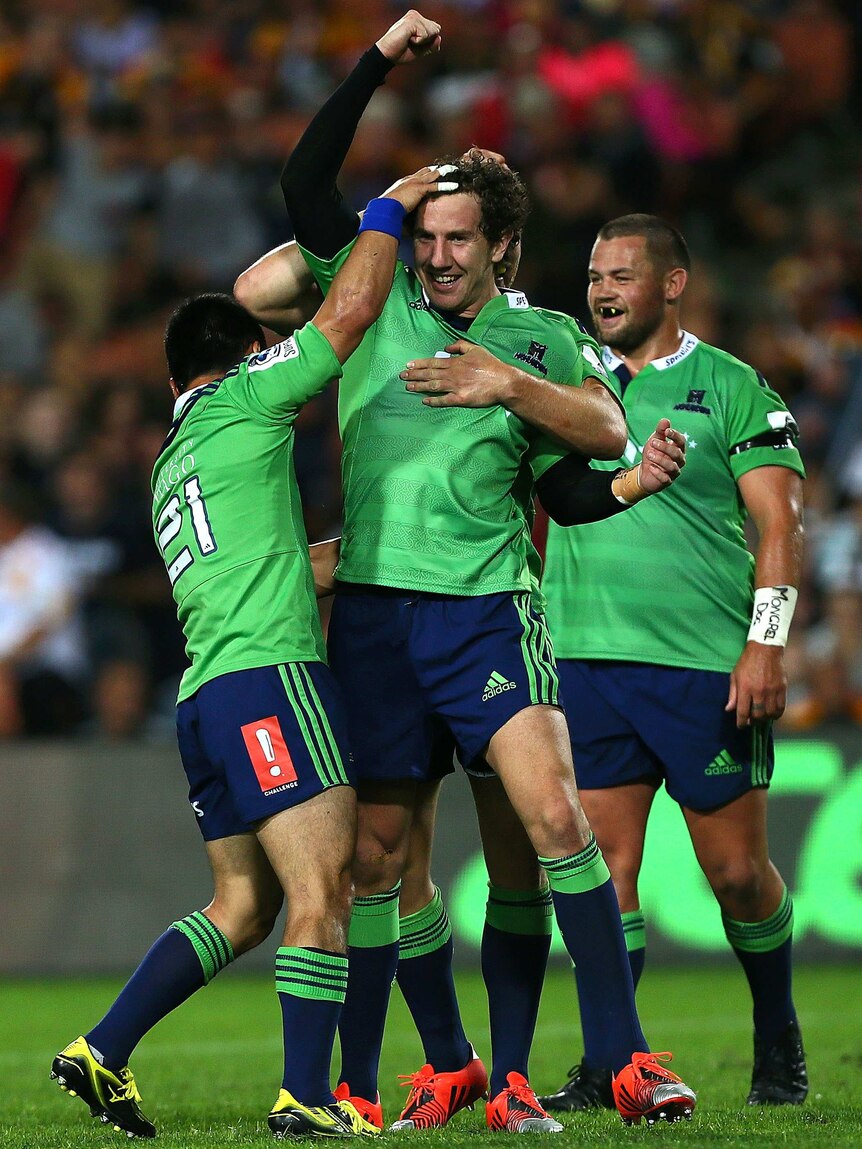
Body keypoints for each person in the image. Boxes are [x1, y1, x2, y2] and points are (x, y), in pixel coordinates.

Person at [235, 10, 696, 1132]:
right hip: (378, 614)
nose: (436, 257)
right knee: (378, 864)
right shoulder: (373, 294)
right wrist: (379, 65)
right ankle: (401, 1072)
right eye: (427, 236)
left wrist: (506, 389)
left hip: (489, 612)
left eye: (459, 240)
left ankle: (622, 1059)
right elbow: (303, 186)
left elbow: (594, 439)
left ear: (501, 248)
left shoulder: (536, 339)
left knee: (551, 822)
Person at [50, 153, 453, 1140]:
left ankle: (101, 1049)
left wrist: (364, 554)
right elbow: (347, 319)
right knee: (328, 887)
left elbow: (280, 564)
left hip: (203, 700)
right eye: (270, 346)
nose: (290, 359)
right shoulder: (242, 401)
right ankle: (306, 1096)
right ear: (237, 356)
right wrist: (386, 217)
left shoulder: (171, 464)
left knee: (242, 905)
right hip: (270, 681)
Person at [533, 214, 808, 1112]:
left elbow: (781, 525)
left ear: (672, 284)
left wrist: (765, 641)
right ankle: (618, 1056)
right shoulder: (566, 385)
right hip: (585, 658)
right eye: (593, 274)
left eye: (620, 274)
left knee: (734, 874)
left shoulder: (731, 386)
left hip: (702, 664)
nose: (601, 290)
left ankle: (777, 1029)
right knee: (604, 868)